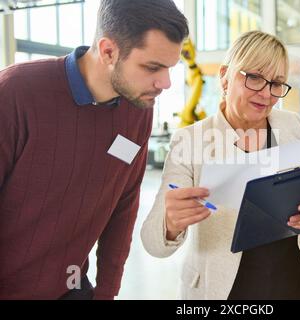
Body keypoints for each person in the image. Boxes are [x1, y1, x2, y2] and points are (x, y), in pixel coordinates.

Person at [0, 0, 188, 300]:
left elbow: (124, 206)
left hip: (72, 289)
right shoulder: (15, 93)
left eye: (169, 68)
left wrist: (106, 293)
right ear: (108, 51)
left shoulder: (138, 108)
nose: (164, 83)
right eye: (152, 67)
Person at [141, 31, 300, 300]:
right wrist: (170, 221)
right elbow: (153, 242)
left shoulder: (294, 126)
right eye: (255, 78)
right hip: (225, 290)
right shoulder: (190, 141)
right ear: (225, 76)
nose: (267, 94)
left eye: (276, 83)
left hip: (296, 282)